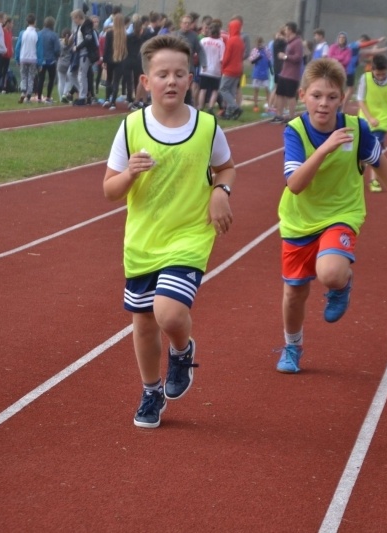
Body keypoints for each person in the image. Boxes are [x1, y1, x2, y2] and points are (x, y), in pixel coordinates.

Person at [103, 34, 236, 428]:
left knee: (170, 312)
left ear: (191, 79)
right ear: (147, 81)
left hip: (190, 236)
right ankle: (151, 391)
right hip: (143, 241)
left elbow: (226, 168)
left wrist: (221, 192)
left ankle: (181, 350)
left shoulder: (207, 126)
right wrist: (130, 174)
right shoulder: (131, 126)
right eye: (162, 74)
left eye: (179, 73)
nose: (171, 81)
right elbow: (110, 190)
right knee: (145, 323)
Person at [274, 57, 387, 374]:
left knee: (330, 273)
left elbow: (378, 160)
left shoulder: (357, 128)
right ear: (303, 96)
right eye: (316, 96)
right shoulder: (295, 131)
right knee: (294, 294)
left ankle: (341, 284)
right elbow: (295, 184)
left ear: (342, 98)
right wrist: (324, 149)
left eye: (331, 97)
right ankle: (292, 346)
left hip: (342, 214)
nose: (323, 104)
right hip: (299, 220)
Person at [357, 53, 387, 193]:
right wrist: (369, 118)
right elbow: (360, 100)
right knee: (361, 150)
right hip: (365, 118)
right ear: (372, 69)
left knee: (374, 149)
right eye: (378, 74)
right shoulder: (365, 78)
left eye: (383, 74)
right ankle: (358, 174)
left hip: (383, 120)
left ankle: (373, 180)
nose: (381, 77)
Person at [271, 22, 303, 123]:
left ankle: (292, 116)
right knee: (279, 93)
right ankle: (279, 115)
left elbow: (298, 57)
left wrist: (285, 56)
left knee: (290, 96)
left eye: (286, 29)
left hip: (292, 75)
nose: (284, 31)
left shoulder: (297, 42)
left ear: (290, 30)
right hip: (284, 73)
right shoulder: (289, 42)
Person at [218, 17, 246, 120]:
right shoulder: (240, 41)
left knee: (223, 89)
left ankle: (234, 107)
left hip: (230, 69)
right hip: (238, 69)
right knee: (231, 91)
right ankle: (229, 112)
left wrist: (223, 66)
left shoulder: (231, 40)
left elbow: (227, 56)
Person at [197, 22, 225, 113]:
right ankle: (210, 107)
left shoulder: (203, 41)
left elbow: (198, 53)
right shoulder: (220, 43)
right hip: (216, 70)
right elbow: (222, 58)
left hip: (204, 69)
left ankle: (200, 107)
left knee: (203, 89)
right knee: (215, 90)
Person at [14, 14, 40, 104]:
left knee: (23, 76)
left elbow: (17, 47)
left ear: (27, 22)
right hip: (33, 59)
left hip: (23, 58)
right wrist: (40, 62)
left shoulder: (22, 33)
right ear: (35, 22)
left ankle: (23, 91)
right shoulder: (37, 34)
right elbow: (39, 49)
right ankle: (28, 96)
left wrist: (17, 58)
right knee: (31, 77)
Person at [36, 17, 61, 103]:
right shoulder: (54, 35)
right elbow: (57, 49)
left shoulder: (38, 34)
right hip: (51, 60)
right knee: (51, 79)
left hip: (40, 59)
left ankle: (39, 97)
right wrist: (57, 56)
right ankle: (48, 97)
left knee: (41, 78)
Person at [248, 36, 272, 113]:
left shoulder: (266, 50)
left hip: (265, 73)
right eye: (258, 44)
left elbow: (270, 59)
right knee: (256, 89)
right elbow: (251, 60)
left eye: (260, 43)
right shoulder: (255, 50)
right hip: (257, 73)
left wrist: (271, 69)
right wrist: (256, 58)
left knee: (267, 89)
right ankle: (255, 105)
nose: (259, 45)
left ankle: (269, 105)